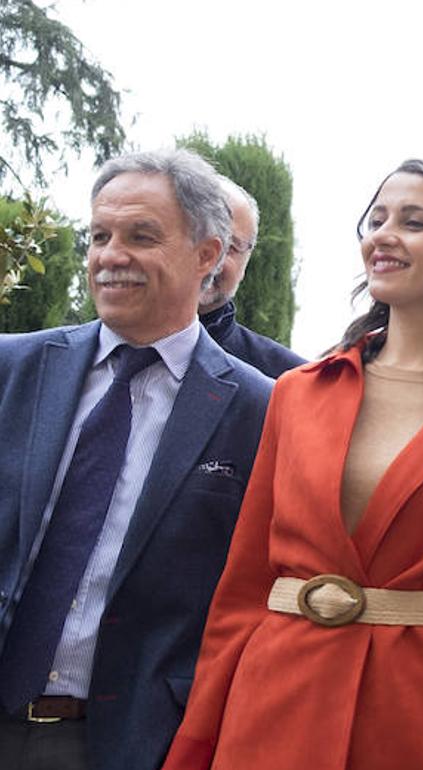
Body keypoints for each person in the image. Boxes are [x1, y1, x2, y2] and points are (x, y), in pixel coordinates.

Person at [163, 159, 423, 770]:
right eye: (376, 219)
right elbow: (240, 593)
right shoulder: (296, 393)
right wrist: (196, 746)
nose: (383, 234)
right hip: (274, 710)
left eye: (414, 221)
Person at [0, 149, 273, 770]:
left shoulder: (260, 410)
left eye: (141, 236)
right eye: (99, 235)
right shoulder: (11, 370)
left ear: (208, 255)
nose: (110, 256)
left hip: (125, 742)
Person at [198, 176, 306, 378]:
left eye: (230, 246)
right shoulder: (122, 340)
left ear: (245, 263)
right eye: (197, 237)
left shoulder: (284, 378)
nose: (210, 257)